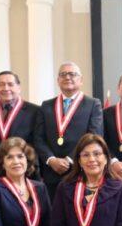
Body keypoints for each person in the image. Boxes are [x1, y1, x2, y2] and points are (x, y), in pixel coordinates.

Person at [34, 62, 104, 199]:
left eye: (72, 74)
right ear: (58, 80)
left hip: (79, 170)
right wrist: (51, 159)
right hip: (51, 172)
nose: (68, 77)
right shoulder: (46, 105)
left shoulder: (93, 104)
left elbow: (94, 136)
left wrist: (70, 159)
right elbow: (38, 137)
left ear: (81, 80)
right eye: (63, 74)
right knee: (54, 216)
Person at [0, 71, 40, 183]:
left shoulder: (34, 111)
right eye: (1, 84)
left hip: (23, 172)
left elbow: (37, 143)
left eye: (10, 84)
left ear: (19, 87)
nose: (6, 88)